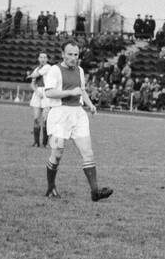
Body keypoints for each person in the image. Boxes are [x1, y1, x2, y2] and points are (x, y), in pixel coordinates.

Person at [40, 40, 113, 201]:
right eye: (70, 54)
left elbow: (82, 91)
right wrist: (70, 92)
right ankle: (51, 187)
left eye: (76, 55)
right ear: (63, 55)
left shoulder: (80, 70)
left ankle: (95, 192)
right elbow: (50, 93)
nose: (74, 58)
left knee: (88, 153)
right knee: (57, 153)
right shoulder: (54, 70)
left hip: (78, 115)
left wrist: (90, 105)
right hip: (59, 115)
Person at [28, 51, 53, 146]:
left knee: (45, 119)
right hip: (38, 93)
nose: (42, 59)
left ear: (47, 59)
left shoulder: (48, 67)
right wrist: (36, 91)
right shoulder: (37, 68)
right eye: (41, 57)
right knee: (36, 118)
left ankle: (45, 143)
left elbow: (35, 76)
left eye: (44, 57)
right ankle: (36, 142)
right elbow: (32, 83)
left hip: (46, 93)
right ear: (38, 59)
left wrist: (29, 75)